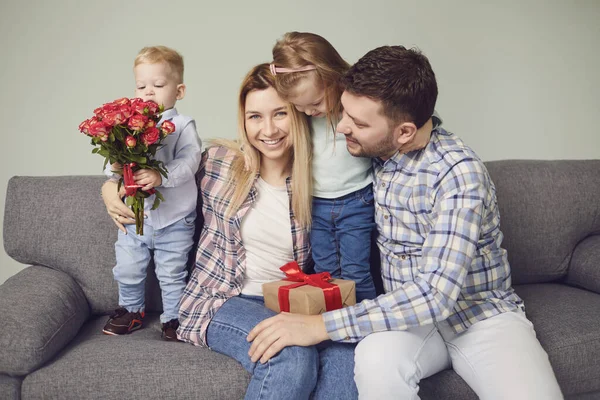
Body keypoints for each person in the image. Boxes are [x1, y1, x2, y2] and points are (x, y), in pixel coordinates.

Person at [247, 46, 563, 399]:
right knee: (374, 363)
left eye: (358, 123)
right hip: (404, 321)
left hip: (480, 318)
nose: (341, 128)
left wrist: (318, 326)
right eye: (344, 113)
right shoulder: (377, 152)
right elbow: (309, 83)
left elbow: (434, 295)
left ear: (405, 132)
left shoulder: (458, 175)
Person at [102, 63, 358, 399]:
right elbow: (151, 169)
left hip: (292, 304)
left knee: (346, 359)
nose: (268, 129)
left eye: (280, 113)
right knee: (290, 355)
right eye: (255, 117)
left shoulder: (324, 180)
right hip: (222, 299)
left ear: (298, 114)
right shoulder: (219, 162)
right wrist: (110, 186)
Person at [101, 46, 202, 341]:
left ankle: (174, 319)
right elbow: (112, 169)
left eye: (158, 86)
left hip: (175, 219)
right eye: (141, 86)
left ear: (178, 90)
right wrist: (116, 169)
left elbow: (189, 161)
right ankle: (131, 311)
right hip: (136, 218)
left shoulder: (183, 126)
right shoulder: (127, 127)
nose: (148, 93)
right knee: (128, 267)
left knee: (171, 273)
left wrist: (161, 175)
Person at [269, 32, 376, 302]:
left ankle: (366, 328)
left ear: (333, 78)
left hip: (357, 201)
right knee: (325, 272)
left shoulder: (355, 111)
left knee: (356, 271)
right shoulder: (302, 118)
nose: (308, 112)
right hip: (316, 204)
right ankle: (330, 325)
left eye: (315, 103)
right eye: (299, 106)